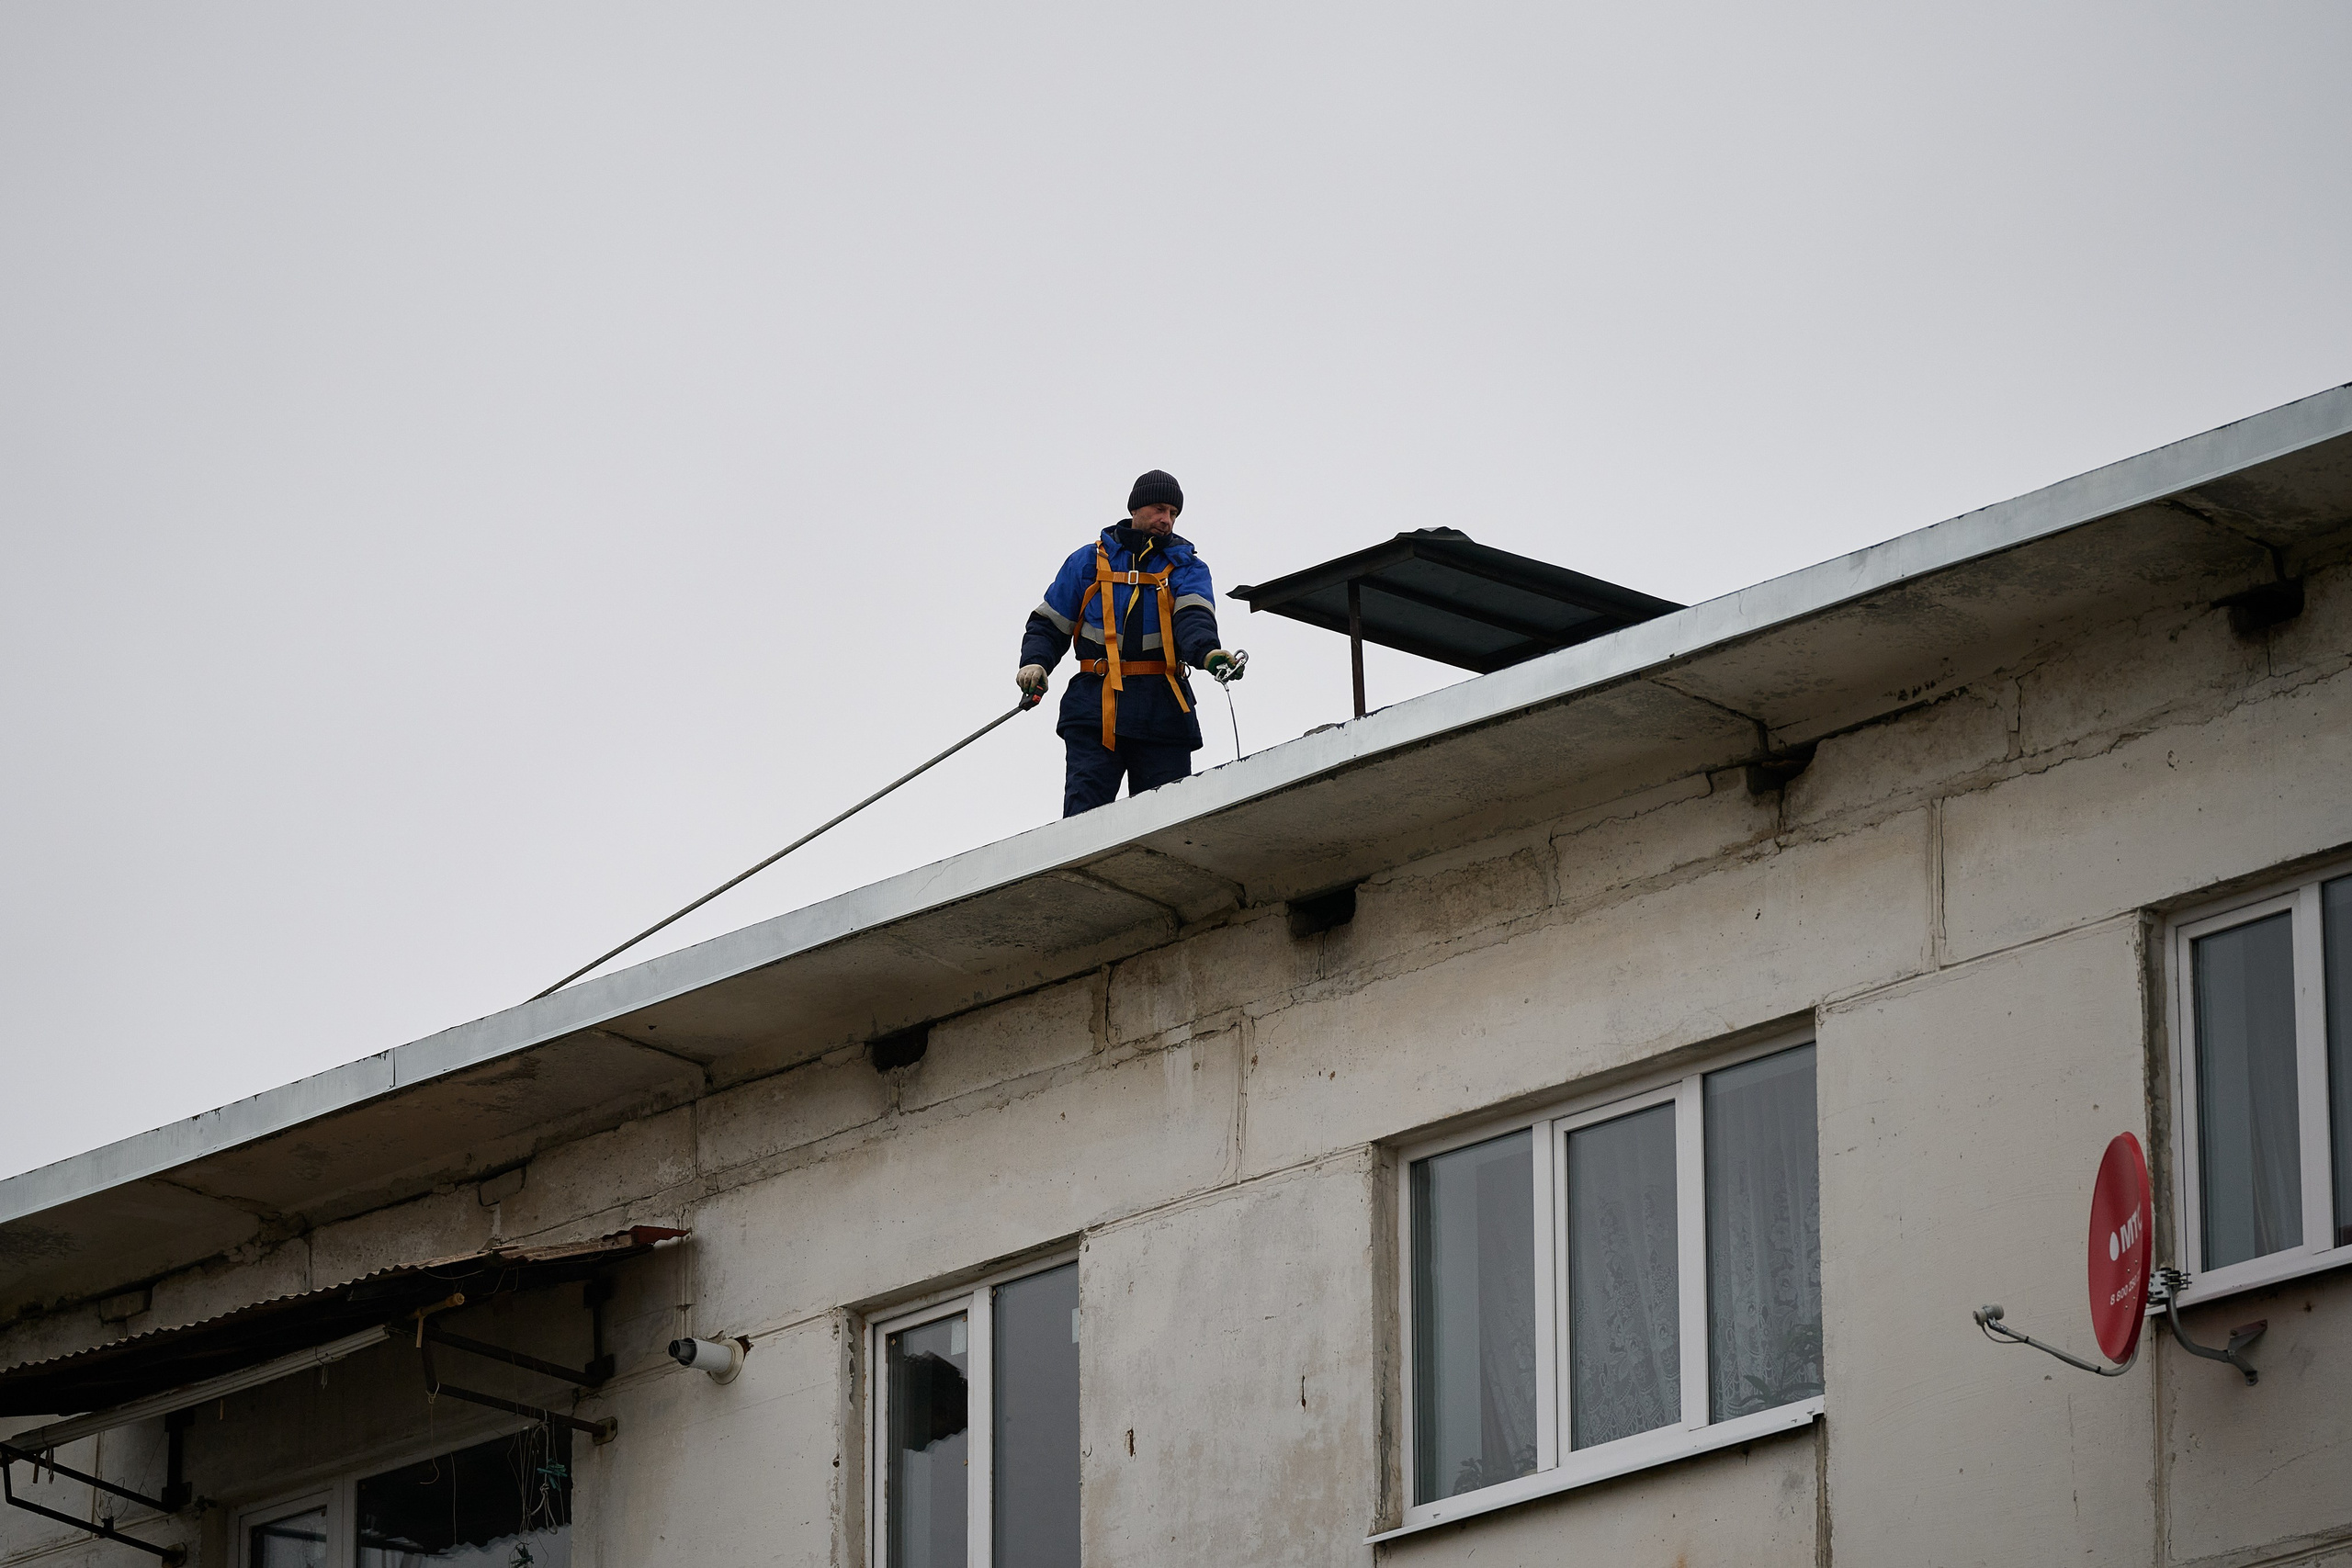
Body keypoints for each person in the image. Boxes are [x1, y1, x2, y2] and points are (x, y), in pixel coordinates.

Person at [1018, 470, 1243, 816]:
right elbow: (1049, 623)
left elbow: (1193, 618)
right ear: (1135, 508)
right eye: (1159, 509)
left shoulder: (1186, 567)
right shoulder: (1087, 562)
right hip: (1096, 709)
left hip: (1163, 711)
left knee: (1166, 825)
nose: (1166, 520)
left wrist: (1209, 653)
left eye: (1173, 513)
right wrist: (1035, 662)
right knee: (1083, 825)